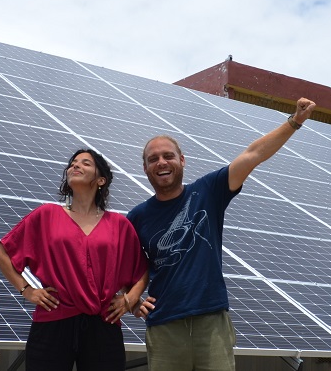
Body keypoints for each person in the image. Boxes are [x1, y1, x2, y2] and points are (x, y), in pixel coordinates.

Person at [129, 97, 316, 371]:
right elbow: (125, 267)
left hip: (211, 322)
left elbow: (253, 155)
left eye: (168, 156)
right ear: (145, 168)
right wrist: (132, 302)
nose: (161, 162)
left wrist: (295, 121)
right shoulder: (137, 217)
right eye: (152, 159)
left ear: (181, 160)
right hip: (164, 324)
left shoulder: (208, 190)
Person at [0, 148, 148, 371]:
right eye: (73, 163)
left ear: (101, 179)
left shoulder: (119, 225)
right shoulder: (46, 215)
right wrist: (27, 290)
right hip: (53, 321)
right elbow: (1, 253)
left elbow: (141, 270)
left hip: (103, 324)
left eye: (85, 163)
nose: (75, 166)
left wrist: (129, 299)